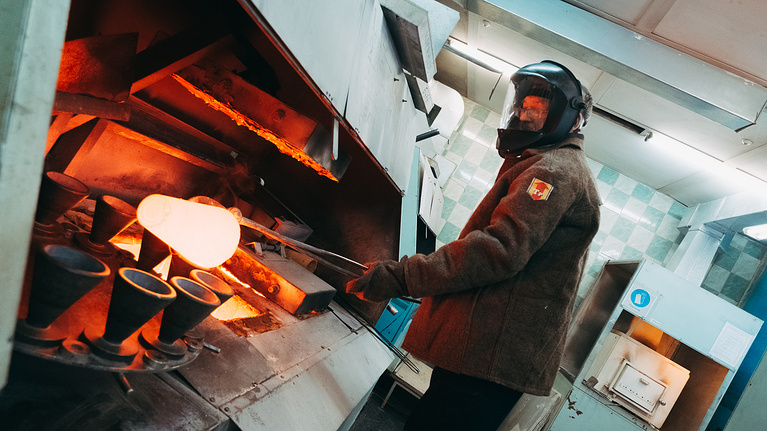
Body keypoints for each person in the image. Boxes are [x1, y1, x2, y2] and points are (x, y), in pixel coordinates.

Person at [347, 60, 601, 431]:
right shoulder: (548, 164)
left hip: (490, 364)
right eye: (522, 106)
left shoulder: (554, 171)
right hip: (486, 361)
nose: (524, 116)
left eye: (538, 110)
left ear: (573, 119)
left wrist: (403, 276)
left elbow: (497, 249)